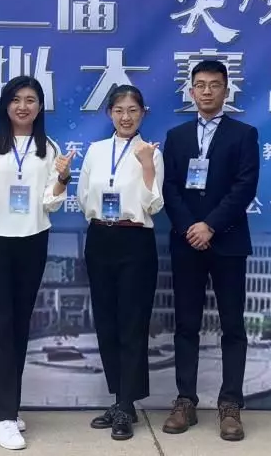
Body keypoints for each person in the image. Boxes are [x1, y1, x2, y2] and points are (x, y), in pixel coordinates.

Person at [0, 75, 72, 451]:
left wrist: (62, 179)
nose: (23, 106)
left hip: (33, 239)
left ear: (40, 107)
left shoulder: (49, 147)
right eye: (16, 99)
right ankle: (2, 416)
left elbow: (49, 203)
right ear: (5, 105)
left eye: (30, 100)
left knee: (18, 326)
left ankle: (8, 406)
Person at [160, 60, 259, 442]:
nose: (206, 91)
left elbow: (244, 187)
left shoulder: (243, 134)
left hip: (228, 241)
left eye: (214, 85)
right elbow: (169, 187)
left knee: (232, 326)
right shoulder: (177, 136)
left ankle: (230, 405)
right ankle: (185, 400)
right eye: (199, 85)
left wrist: (210, 226)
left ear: (225, 90)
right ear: (190, 91)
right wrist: (191, 227)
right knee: (186, 325)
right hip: (187, 242)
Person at [76, 85, 164, 441]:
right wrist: (101, 217)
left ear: (143, 112)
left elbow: (154, 204)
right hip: (100, 239)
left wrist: (146, 165)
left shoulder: (151, 152)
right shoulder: (96, 151)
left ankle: (127, 405)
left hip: (135, 241)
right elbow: (83, 197)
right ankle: (119, 400)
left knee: (132, 324)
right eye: (119, 110)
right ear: (109, 114)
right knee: (107, 324)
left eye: (132, 110)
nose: (125, 117)